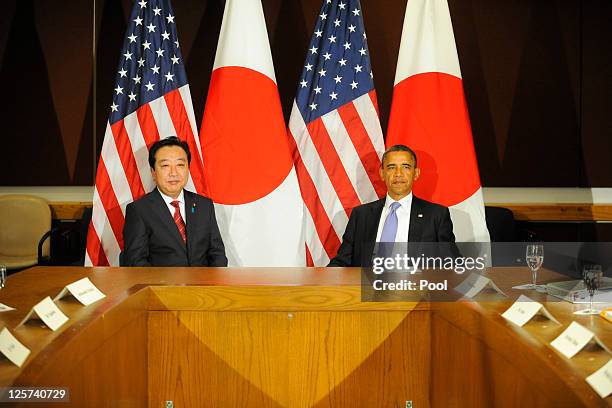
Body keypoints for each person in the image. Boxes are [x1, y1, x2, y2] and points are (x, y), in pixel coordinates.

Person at [328, 145, 456, 267]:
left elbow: (451, 264)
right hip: (367, 287)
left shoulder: (436, 215)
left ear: (416, 173)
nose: (398, 173)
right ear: (382, 174)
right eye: (391, 167)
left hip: (414, 287)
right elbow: (342, 261)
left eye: (405, 167)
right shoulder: (361, 215)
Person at [122, 136, 227, 266]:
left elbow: (217, 254)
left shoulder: (204, 205)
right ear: (153, 172)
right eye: (165, 165)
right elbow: (136, 262)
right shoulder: (139, 210)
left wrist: (211, 285)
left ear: (188, 169)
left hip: (203, 285)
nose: (173, 173)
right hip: (161, 285)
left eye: (180, 165)